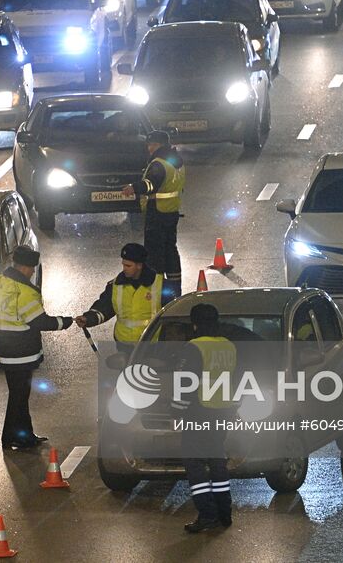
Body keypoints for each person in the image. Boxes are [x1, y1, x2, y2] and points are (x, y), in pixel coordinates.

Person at [0, 247, 72, 451]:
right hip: (21, 352)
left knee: (19, 394)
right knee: (18, 396)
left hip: (3, 349)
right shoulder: (24, 292)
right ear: (25, 267)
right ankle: (9, 438)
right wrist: (66, 322)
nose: (33, 272)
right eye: (32, 269)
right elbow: (40, 321)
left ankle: (26, 435)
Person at [179, 303, 236, 533]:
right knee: (217, 461)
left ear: (194, 325)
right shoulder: (228, 346)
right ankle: (225, 512)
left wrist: (177, 410)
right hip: (223, 410)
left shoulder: (194, 347)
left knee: (194, 464)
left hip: (199, 411)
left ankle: (207, 513)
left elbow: (186, 384)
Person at [122, 130, 185, 302]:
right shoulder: (176, 161)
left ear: (160, 145)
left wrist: (133, 188)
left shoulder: (159, 163)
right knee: (170, 250)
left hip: (157, 213)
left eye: (153, 145)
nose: (149, 148)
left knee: (154, 254)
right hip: (171, 211)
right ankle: (174, 289)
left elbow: (151, 185)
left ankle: (156, 291)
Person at [74, 243, 162, 350]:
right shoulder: (116, 285)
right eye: (123, 265)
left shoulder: (159, 284)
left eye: (128, 266)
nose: (124, 269)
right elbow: (104, 307)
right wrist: (87, 319)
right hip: (124, 346)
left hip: (152, 346)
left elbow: (172, 314)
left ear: (139, 265)